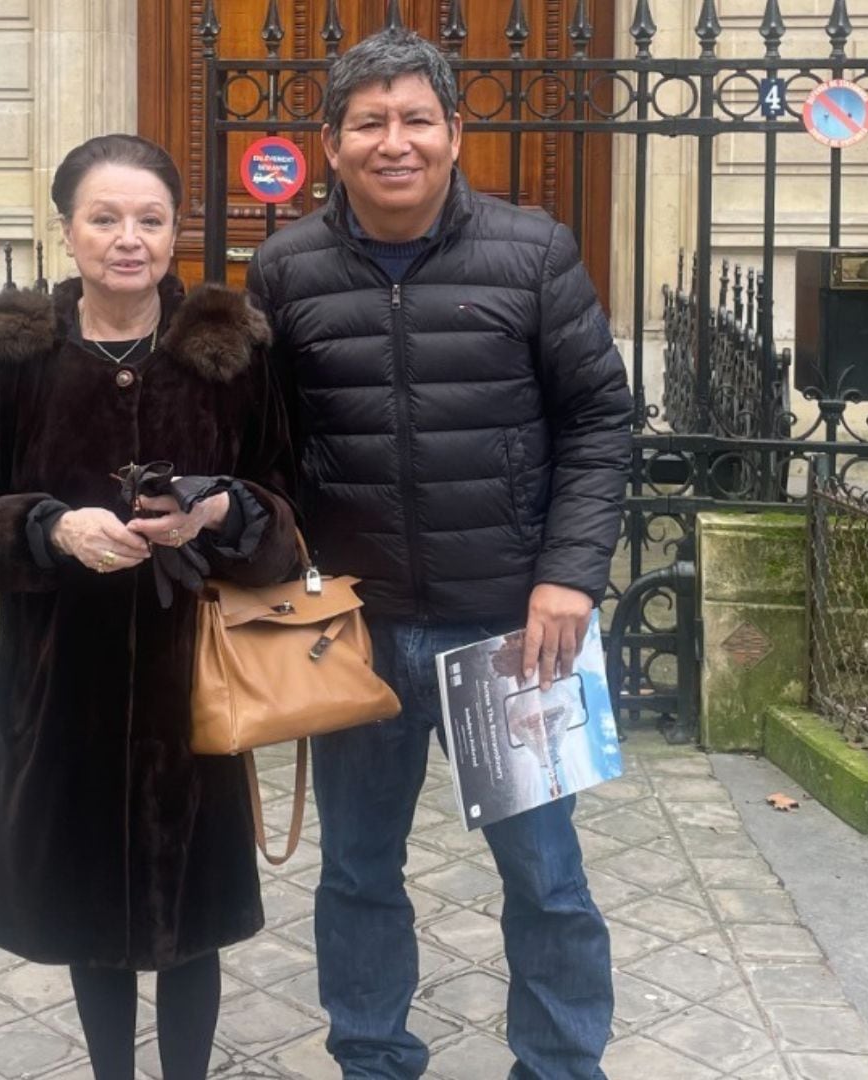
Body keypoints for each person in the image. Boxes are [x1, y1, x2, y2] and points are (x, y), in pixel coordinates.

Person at [244, 27, 634, 1080]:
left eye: (418, 119)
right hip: (352, 637)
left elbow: (600, 421)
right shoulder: (283, 271)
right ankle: (372, 1057)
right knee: (359, 873)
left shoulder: (532, 250)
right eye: (369, 122)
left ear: (456, 133)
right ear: (331, 143)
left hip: (509, 630)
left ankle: (558, 1064)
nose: (395, 142)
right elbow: (259, 448)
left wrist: (569, 574)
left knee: (545, 877)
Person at [0, 134, 300, 1080]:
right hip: (62, 681)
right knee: (90, 914)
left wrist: (223, 511)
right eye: (104, 218)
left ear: (176, 231)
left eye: (150, 219)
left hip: (194, 681)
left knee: (192, 918)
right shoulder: (12, 361)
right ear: (67, 228)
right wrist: (48, 529)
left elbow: (289, 509)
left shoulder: (229, 353)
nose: (128, 239)